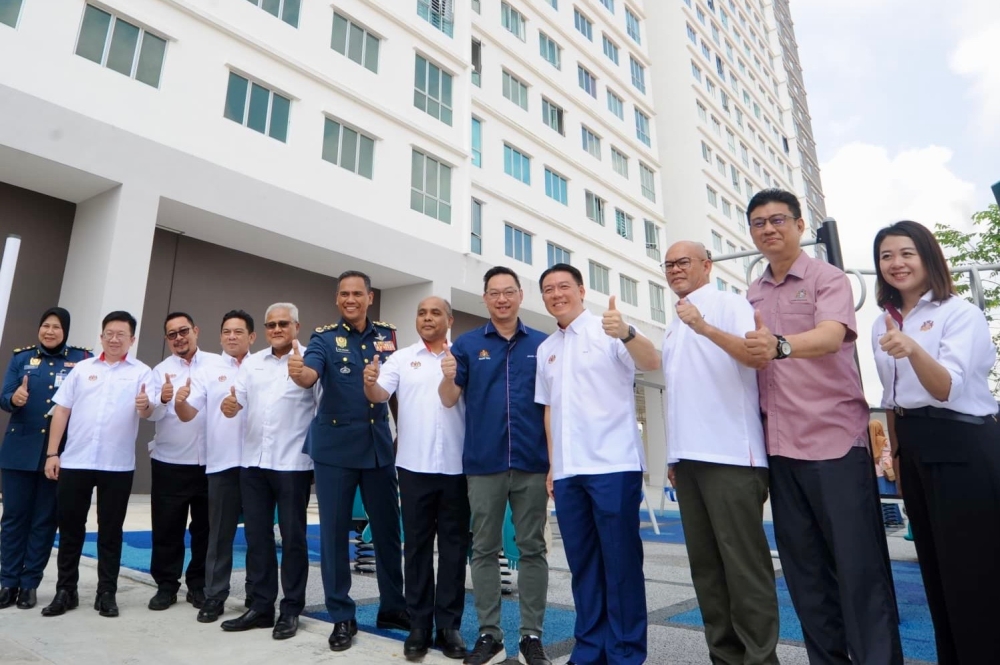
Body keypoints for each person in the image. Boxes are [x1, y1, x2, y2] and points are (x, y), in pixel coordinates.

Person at [742, 189, 903, 664]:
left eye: (777, 220)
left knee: (859, 571)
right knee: (805, 576)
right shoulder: (752, 293)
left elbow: (832, 336)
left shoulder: (826, 278)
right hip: (779, 448)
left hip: (833, 444)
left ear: (798, 225)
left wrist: (780, 346)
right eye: (758, 223)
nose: (768, 229)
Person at [871, 220, 1000, 663]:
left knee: (975, 573)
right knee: (936, 571)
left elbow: (945, 387)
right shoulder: (882, 321)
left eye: (906, 253)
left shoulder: (958, 313)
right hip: (915, 446)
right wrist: (895, 455)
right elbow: (891, 398)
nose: (896, 263)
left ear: (928, 257)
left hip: (962, 443)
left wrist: (913, 348)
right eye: (886, 256)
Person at [660, 242, 780, 664]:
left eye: (683, 262)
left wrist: (704, 327)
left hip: (731, 456)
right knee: (707, 571)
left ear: (707, 265)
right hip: (689, 460)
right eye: (669, 264)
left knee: (744, 569)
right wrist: (673, 456)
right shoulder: (674, 323)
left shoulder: (730, 304)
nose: (675, 270)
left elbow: (756, 357)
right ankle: (724, 657)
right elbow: (681, 393)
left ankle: (760, 659)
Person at [534, 264, 659, 665]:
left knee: (620, 564)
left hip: (613, 466)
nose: (557, 294)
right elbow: (549, 409)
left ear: (581, 290)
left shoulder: (609, 330)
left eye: (564, 286)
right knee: (583, 566)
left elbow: (652, 361)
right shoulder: (546, 348)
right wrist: (553, 465)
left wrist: (626, 332)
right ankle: (589, 651)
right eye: (549, 289)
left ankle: (625, 654)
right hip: (569, 472)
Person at [289, 270, 408, 652]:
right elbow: (310, 374)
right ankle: (342, 614)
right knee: (335, 534)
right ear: (337, 298)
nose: (350, 299)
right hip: (336, 450)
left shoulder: (387, 336)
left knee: (387, 532)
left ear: (370, 297)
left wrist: (403, 432)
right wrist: (300, 373)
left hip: (378, 447)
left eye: (358, 293)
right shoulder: (323, 338)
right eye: (344, 294)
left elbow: (392, 389)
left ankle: (393, 607)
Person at [439, 266, 551, 665]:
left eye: (508, 291)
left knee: (533, 548)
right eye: (494, 293)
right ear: (485, 298)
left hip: (532, 462)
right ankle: (490, 634)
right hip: (484, 463)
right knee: (484, 548)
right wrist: (448, 376)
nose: (501, 299)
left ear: (520, 295)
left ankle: (531, 635)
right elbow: (449, 398)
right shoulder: (467, 345)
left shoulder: (543, 344)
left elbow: (555, 405)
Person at [363, 296, 469, 661]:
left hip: (457, 467)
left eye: (435, 313)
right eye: (422, 312)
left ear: (449, 320)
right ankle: (420, 625)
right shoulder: (400, 358)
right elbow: (379, 395)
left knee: (454, 550)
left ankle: (449, 626)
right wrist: (369, 383)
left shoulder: (462, 357)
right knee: (417, 549)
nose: (427, 318)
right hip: (413, 467)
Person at [40, 311, 157, 618]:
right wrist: (53, 453)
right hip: (75, 461)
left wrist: (145, 406)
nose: (114, 339)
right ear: (101, 336)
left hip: (116, 465)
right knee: (70, 528)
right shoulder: (82, 369)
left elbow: (148, 411)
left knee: (110, 531)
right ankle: (66, 590)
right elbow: (61, 411)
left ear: (132, 339)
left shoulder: (142, 372)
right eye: (109, 333)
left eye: (121, 334)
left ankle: (106, 592)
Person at [219, 303, 317, 641]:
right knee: (257, 538)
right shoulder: (253, 363)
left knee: (293, 539)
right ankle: (261, 607)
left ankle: (291, 609)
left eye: (283, 324)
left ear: (296, 326)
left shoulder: (310, 359)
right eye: (271, 324)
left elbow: (321, 406)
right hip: (254, 463)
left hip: (292, 464)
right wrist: (229, 406)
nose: (276, 329)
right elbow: (237, 401)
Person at [0, 308, 90, 610]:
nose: (50, 331)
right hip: (19, 452)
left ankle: (29, 584)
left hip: (57, 455)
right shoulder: (21, 358)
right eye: (46, 326)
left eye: (56, 327)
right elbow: (4, 396)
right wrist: (14, 399)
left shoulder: (81, 359)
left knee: (44, 520)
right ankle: (7, 582)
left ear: (65, 331)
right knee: (13, 519)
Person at [175, 310, 257, 622]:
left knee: (258, 534)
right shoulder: (209, 370)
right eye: (226, 332)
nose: (231, 336)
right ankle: (214, 595)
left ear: (252, 337)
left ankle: (256, 595)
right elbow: (187, 414)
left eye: (239, 331)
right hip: (222, 464)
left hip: (257, 464)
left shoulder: (262, 366)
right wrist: (180, 401)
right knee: (219, 535)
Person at [146, 313, 217, 612]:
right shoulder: (160, 371)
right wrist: (163, 400)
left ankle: (198, 584)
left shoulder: (217, 364)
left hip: (211, 462)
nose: (179, 338)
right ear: (167, 339)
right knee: (167, 528)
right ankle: (166, 585)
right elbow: (150, 414)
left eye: (183, 331)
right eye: (172, 334)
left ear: (196, 330)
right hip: (170, 461)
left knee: (206, 529)